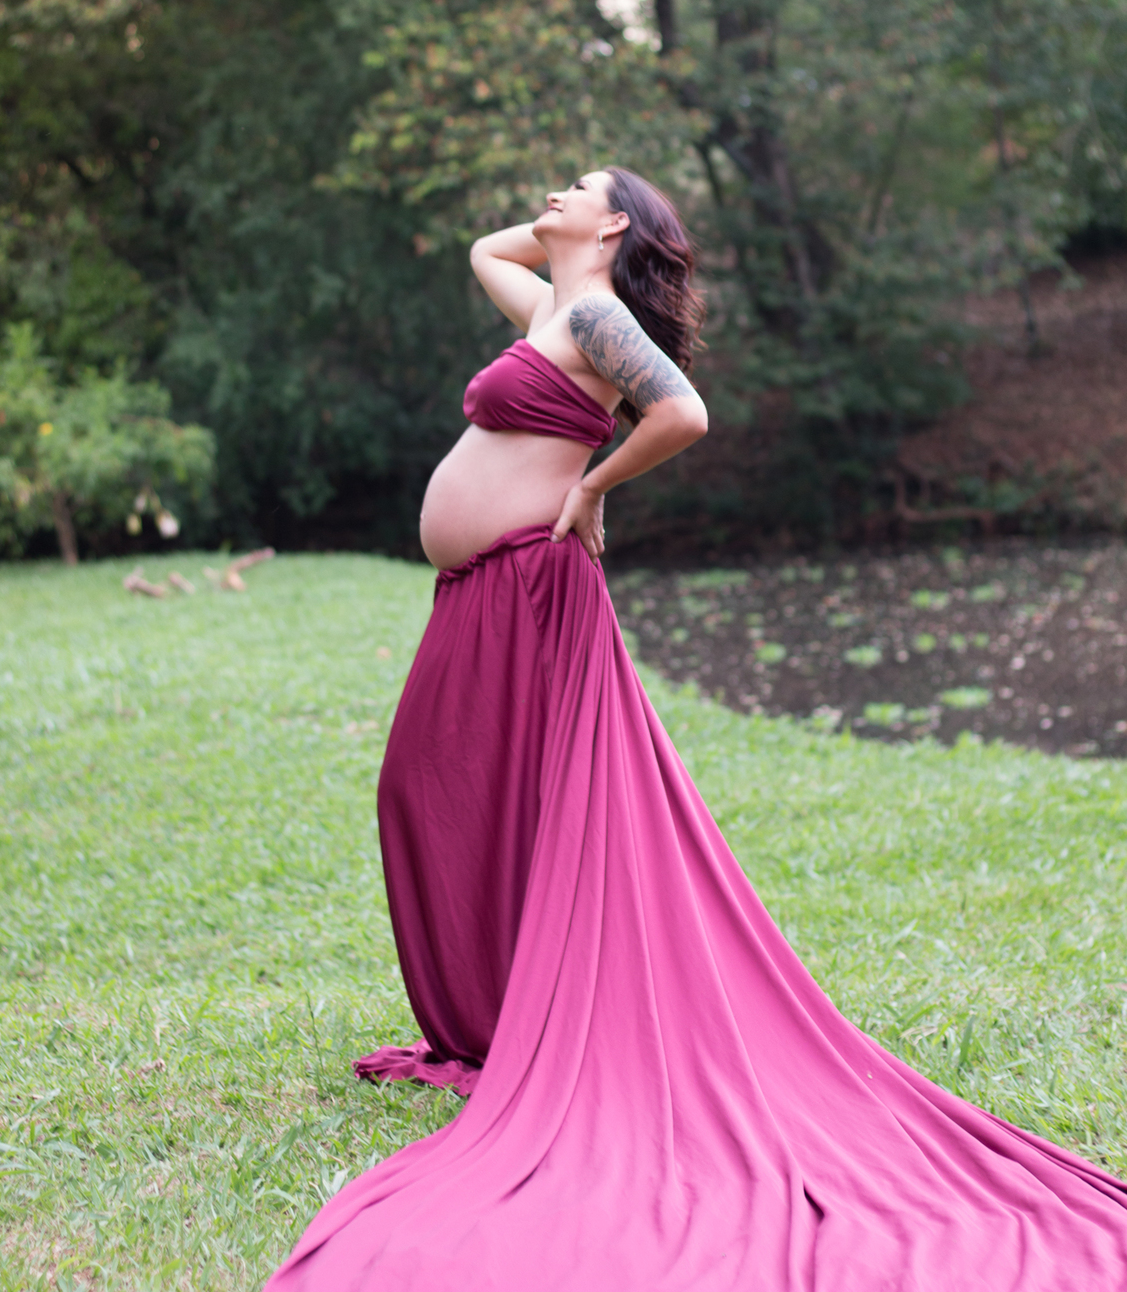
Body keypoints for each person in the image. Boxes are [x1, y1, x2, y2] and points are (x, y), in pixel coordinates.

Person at [267, 167, 1127, 1291]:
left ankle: (514, 1023)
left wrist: (593, 490)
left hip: (532, 591)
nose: (551, 190)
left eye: (574, 185)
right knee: (432, 790)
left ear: (616, 222)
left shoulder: (595, 317)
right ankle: (493, 1019)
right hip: (486, 590)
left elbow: (683, 411)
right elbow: (488, 256)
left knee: (470, 793)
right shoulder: (556, 309)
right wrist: (548, 231)